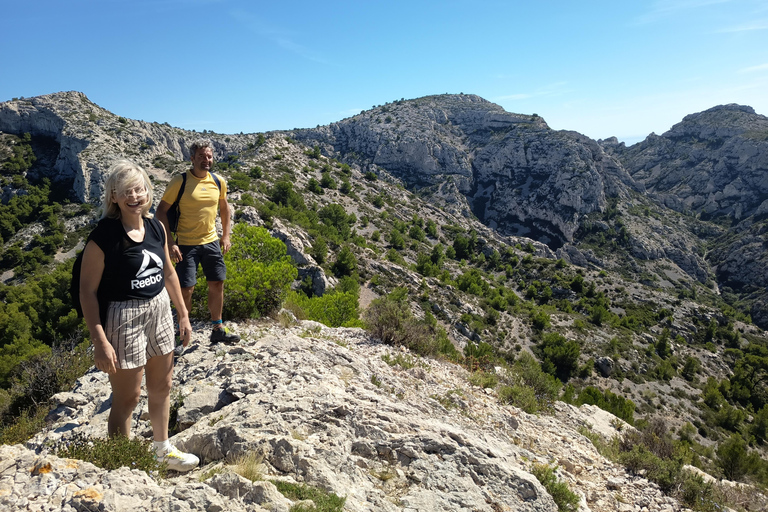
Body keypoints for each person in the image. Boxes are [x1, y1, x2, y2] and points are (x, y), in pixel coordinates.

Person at [80, 159, 199, 472]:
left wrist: (183, 314)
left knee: (162, 386)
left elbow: (169, 273)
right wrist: (100, 340)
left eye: (140, 189)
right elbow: (87, 292)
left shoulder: (157, 227)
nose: (135, 196)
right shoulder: (104, 236)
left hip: (159, 308)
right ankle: (122, 464)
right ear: (115, 197)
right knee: (128, 398)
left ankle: (163, 451)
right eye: (126, 192)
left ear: (148, 191)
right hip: (123, 316)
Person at [156, 139, 240, 344]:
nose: (206, 160)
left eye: (209, 156)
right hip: (185, 243)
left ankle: (218, 328)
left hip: (210, 241)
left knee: (217, 283)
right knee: (186, 289)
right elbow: (160, 211)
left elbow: (224, 208)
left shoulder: (218, 181)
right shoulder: (180, 181)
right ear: (192, 158)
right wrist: (170, 242)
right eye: (201, 156)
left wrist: (226, 235)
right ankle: (180, 331)